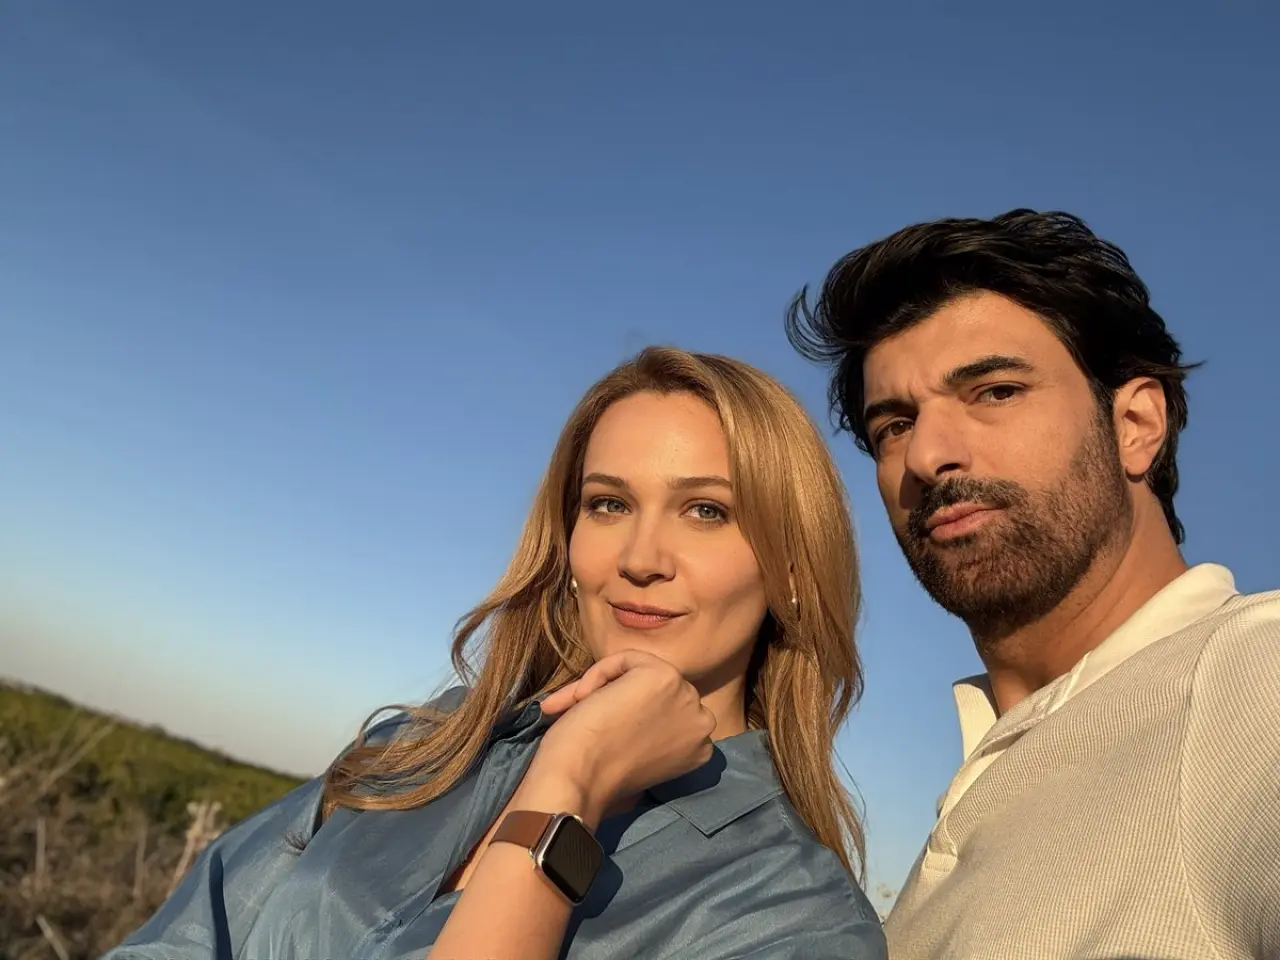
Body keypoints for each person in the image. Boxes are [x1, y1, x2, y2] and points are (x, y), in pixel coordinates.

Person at [102, 346, 886, 960]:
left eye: (707, 510)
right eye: (608, 503)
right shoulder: (433, 743)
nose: (640, 558)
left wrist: (572, 780)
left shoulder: (794, 919)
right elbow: (187, 936)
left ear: (791, 569)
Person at [785, 208, 1280, 959]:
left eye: (995, 391)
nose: (927, 456)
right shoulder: (990, 783)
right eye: (894, 426)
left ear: (1135, 424)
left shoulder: (1252, 679)